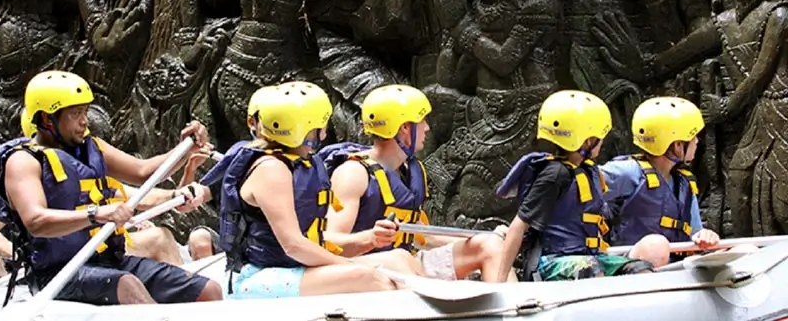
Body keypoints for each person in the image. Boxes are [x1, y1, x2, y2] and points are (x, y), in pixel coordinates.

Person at [0, 70, 223, 305]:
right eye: (75, 114)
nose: (84, 121)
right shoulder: (23, 162)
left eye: (85, 112)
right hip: (58, 273)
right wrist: (97, 214)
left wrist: (186, 150)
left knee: (208, 290)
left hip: (109, 261)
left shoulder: (92, 147)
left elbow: (143, 172)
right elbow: (36, 221)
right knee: (127, 285)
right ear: (46, 119)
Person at [220, 81, 417, 299]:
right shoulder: (272, 169)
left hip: (292, 267)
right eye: (320, 125)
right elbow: (294, 246)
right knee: (368, 278)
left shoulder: (297, 162)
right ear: (306, 127)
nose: (324, 131)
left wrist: (369, 239)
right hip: (258, 277)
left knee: (398, 259)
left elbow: (316, 239)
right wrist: (347, 265)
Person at [322, 84, 509, 282]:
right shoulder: (353, 173)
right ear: (404, 127)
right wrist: (370, 238)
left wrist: (484, 236)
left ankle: (510, 309)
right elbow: (330, 242)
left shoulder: (412, 170)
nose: (427, 128)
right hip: (367, 269)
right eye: (421, 121)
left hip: (409, 264)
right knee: (399, 260)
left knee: (490, 246)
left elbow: (424, 237)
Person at [495, 90, 654, 282]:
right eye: (599, 136)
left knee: (640, 269)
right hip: (552, 261)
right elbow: (519, 225)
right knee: (590, 269)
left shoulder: (588, 171)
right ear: (587, 140)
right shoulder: (554, 174)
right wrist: (500, 282)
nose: (602, 141)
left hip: (590, 255)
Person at [600, 97, 755, 267]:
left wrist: (704, 235)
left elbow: (695, 233)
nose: (697, 141)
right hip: (633, 266)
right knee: (656, 247)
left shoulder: (684, 182)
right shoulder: (628, 172)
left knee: (748, 250)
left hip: (676, 263)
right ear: (677, 145)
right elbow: (578, 193)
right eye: (693, 136)